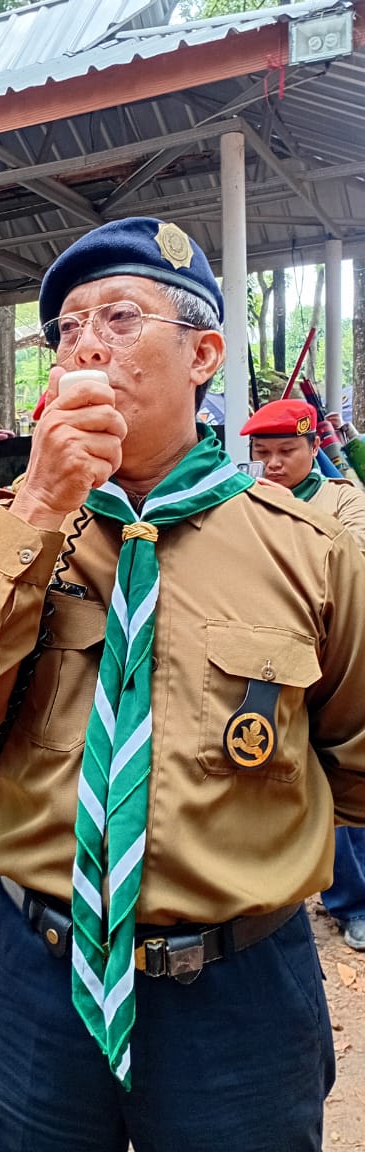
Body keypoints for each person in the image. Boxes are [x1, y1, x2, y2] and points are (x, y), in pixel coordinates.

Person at [0, 217, 365, 1152]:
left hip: (237, 996)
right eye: (66, 329)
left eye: (118, 315)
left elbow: (354, 763)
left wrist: (241, 848)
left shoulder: (311, 552)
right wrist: (39, 507)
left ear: (204, 354)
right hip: (39, 981)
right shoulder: (7, 529)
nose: (87, 345)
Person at [242, 398, 365, 952]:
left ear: (314, 448)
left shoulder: (342, 500)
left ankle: (355, 903)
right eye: (261, 453)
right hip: (270, 660)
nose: (272, 464)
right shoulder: (242, 505)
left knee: (344, 770)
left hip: (337, 655)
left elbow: (351, 564)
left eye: (286, 450)